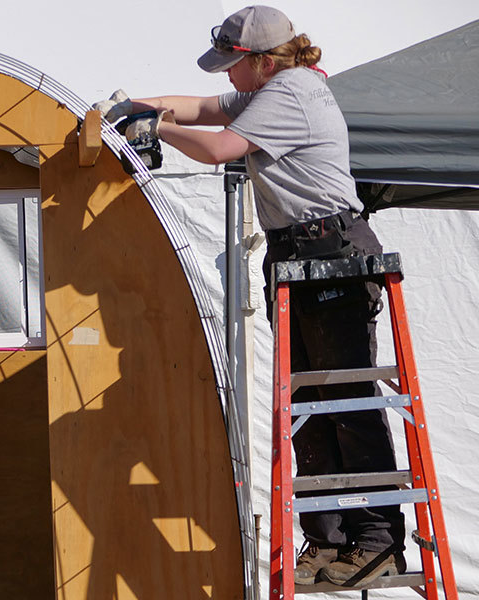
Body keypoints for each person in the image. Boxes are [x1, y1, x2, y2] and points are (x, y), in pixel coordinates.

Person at [93, 5, 404, 587]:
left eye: (230, 66)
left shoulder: (291, 92)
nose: (224, 78)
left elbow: (216, 148)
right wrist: (137, 107)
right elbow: (204, 108)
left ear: (261, 60)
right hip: (301, 252)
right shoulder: (269, 88)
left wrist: (155, 129)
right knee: (308, 409)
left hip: (331, 251)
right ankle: (331, 538)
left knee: (343, 400)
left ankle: (378, 539)